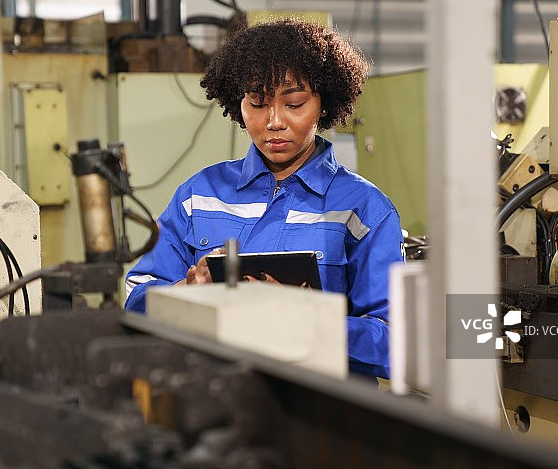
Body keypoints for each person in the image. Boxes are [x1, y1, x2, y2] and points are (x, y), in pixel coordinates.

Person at [125, 19, 404, 378]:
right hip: (212, 398)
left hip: (318, 413)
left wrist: (305, 321)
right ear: (238, 104)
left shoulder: (364, 210)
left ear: (324, 104)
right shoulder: (199, 196)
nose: (273, 121)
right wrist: (183, 293)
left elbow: (393, 344)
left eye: (294, 103)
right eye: (257, 103)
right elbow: (137, 295)